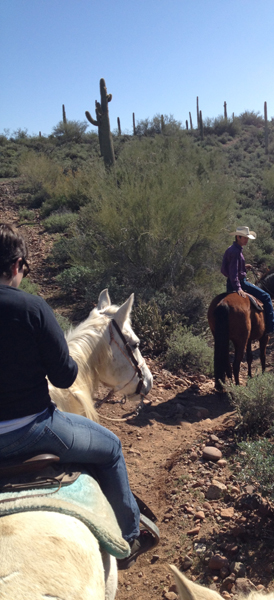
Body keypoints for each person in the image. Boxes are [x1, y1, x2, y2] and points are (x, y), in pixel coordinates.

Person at [0, 223, 156, 569]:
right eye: (24, 269)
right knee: (112, 448)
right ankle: (130, 537)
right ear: (16, 265)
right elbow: (65, 375)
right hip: (33, 429)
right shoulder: (32, 308)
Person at [221, 226, 274, 334]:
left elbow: (225, 269)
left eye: (247, 238)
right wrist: (238, 287)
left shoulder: (232, 249)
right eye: (245, 237)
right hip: (240, 283)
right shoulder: (236, 252)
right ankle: (271, 328)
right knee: (266, 297)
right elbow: (233, 272)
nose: (247, 240)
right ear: (238, 237)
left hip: (230, 283)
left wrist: (243, 267)